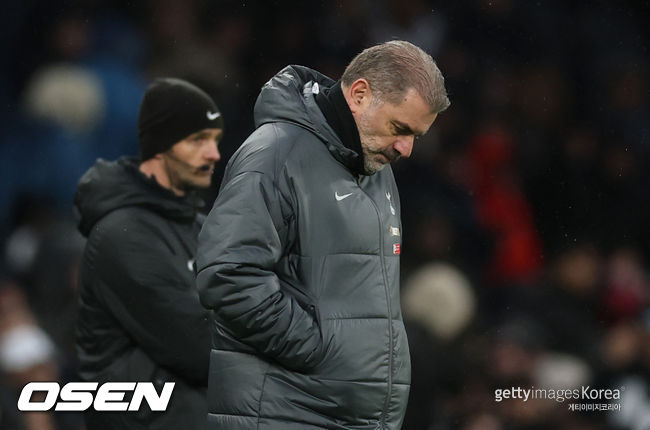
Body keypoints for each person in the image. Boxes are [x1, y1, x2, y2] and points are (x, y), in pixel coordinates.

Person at [197, 40, 450, 429]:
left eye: (417, 135)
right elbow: (228, 275)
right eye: (400, 128)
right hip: (284, 414)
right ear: (360, 94)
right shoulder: (275, 153)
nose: (407, 148)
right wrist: (319, 350)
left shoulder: (377, 170)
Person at [74, 78, 224, 429]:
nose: (214, 154)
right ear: (161, 145)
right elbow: (202, 347)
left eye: (215, 140)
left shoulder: (200, 224)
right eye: (198, 140)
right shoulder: (122, 234)